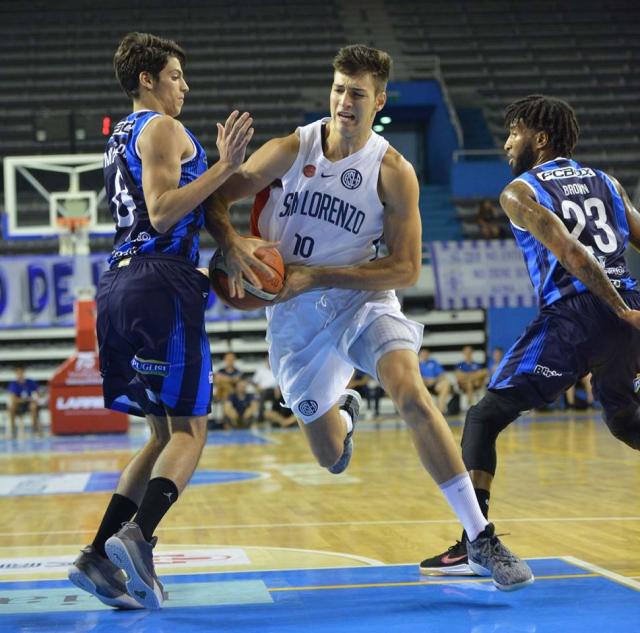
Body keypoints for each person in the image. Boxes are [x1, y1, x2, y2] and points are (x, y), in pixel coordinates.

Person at [208, 44, 533, 591]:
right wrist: (234, 243)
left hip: (361, 299)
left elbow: (405, 269)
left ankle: (480, 536)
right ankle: (347, 415)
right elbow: (216, 198)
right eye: (338, 89)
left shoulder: (392, 171)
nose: (344, 101)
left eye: (357, 93)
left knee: (410, 390)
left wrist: (318, 275)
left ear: (378, 99)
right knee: (330, 458)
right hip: (293, 319)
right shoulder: (293, 147)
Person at [67, 32, 271, 610]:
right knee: (190, 431)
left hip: (119, 285)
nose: (185, 86)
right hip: (162, 280)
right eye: (177, 75)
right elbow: (160, 213)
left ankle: (97, 555)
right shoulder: (160, 127)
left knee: (159, 433)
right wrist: (226, 166)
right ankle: (140, 534)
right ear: (147, 81)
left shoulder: (119, 138)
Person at [420, 94, 640, 576]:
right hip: (628, 317)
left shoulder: (521, 190)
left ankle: (473, 542)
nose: (505, 144)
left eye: (513, 133)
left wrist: (617, 308)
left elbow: (572, 255)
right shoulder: (607, 182)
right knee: (624, 421)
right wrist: (629, 308)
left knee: (484, 416)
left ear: (539, 139)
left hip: (577, 315)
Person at [6, 365, 41, 438]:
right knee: (11, 407)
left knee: (33, 406)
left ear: (23, 373)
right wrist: (25, 399)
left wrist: (34, 398)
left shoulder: (30, 382)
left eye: (21, 373)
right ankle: (13, 430)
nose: (20, 375)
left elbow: (37, 394)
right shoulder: (13, 384)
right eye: (18, 373)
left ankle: (35, 430)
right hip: (19, 406)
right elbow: (13, 398)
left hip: (29, 405)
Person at [418, 348, 452, 413]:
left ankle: (440, 411)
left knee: (446, 384)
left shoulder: (433, 362)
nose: (425, 355)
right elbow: (416, 377)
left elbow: (442, 375)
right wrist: (426, 380)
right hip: (423, 385)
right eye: (423, 353)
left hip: (435, 384)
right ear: (420, 355)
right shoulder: (417, 364)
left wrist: (434, 380)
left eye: (426, 353)